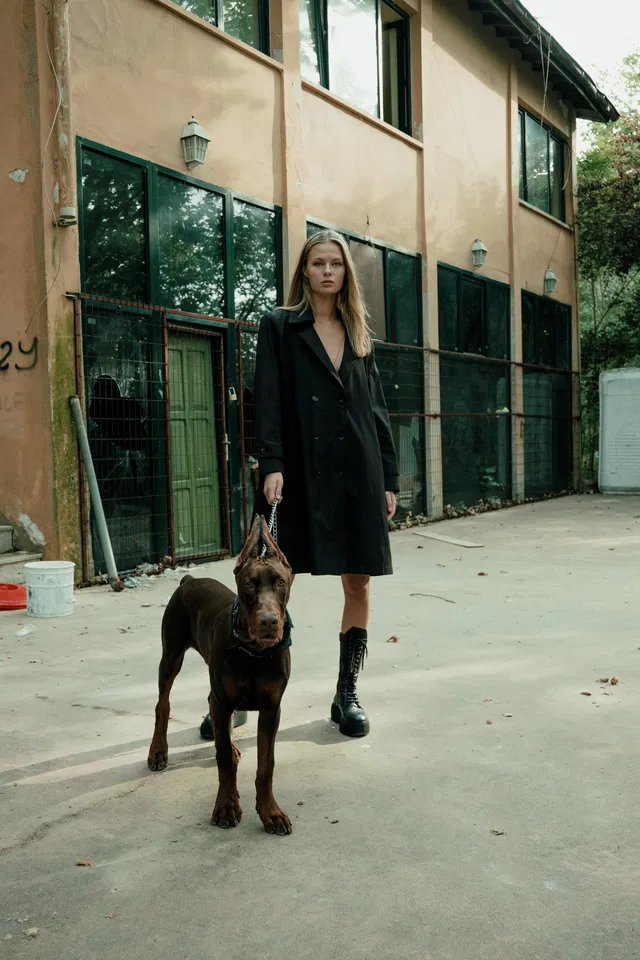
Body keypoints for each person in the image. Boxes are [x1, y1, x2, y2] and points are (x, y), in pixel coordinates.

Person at [201, 229, 398, 741]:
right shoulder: (280, 325)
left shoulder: (359, 333)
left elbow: (376, 410)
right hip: (298, 472)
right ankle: (232, 693)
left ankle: (346, 693)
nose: (328, 271)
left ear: (346, 273)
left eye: (336, 263)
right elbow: (266, 398)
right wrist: (271, 463)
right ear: (304, 272)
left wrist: (389, 478)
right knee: (263, 579)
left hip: (358, 474)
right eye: (318, 263)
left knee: (358, 582)